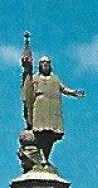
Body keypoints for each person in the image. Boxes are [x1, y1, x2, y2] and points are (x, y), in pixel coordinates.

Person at [20, 35, 84, 164]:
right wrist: (27, 68)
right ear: (39, 66)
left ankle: (45, 158)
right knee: (40, 133)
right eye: (43, 64)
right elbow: (27, 86)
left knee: (51, 135)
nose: (45, 66)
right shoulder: (36, 78)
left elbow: (64, 88)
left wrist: (75, 93)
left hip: (53, 111)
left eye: (47, 64)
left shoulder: (54, 79)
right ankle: (40, 157)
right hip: (40, 109)